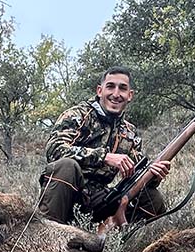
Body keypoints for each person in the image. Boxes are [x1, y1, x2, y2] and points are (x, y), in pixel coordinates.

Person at [38, 66, 170, 224]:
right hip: (66, 195)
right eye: (110, 87)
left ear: (130, 95)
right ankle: (49, 240)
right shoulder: (78, 115)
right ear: (99, 91)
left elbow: (137, 175)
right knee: (66, 166)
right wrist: (104, 156)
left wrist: (154, 175)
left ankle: (128, 245)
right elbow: (54, 149)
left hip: (100, 200)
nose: (116, 94)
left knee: (152, 198)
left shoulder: (130, 133)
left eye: (122, 88)